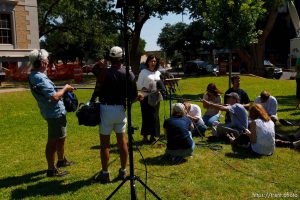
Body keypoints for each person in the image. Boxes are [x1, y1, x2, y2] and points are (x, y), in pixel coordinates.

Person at [90, 46, 138, 184]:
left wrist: (104, 61)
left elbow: (94, 68)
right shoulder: (129, 74)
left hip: (106, 109)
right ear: (122, 58)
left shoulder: (104, 72)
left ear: (110, 58)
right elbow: (133, 97)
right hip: (120, 110)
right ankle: (123, 171)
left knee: (105, 144)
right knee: (122, 141)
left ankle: (105, 173)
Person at [28, 49, 75, 177]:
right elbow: (54, 97)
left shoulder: (37, 75)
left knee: (61, 137)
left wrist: (63, 89)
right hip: (54, 114)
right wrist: (65, 88)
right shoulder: (38, 77)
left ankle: (61, 161)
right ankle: (51, 169)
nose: (48, 61)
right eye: (47, 59)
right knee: (53, 142)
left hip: (56, 112)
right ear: (42, 62)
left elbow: (49, 92)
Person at [137, 54, 166, 143]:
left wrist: (159, 89)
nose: (153, 63)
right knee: (146, 117)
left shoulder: (158, 73)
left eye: (154, 61)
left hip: (156, 97)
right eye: (151, 61)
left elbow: (161, 85)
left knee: (154, 117)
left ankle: (153, 136)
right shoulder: (143, 72)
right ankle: (145, 136)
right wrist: (145, 88)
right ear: (148, 62)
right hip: (145, 97)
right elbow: (139, 84)